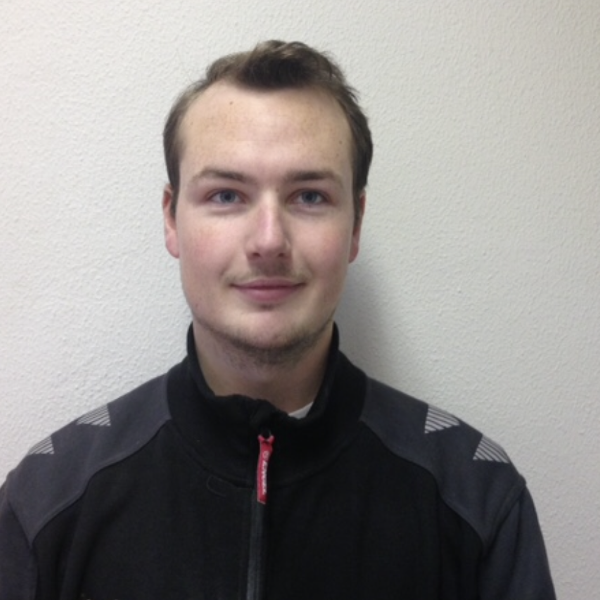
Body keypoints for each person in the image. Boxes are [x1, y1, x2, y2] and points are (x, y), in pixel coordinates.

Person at [0, 40, 555, 599]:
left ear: (356, 224)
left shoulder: (477, 496)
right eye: (226, 195)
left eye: (309, 196)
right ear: (171, 219)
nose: (268, 241)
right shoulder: (48, 499)